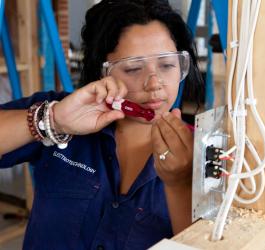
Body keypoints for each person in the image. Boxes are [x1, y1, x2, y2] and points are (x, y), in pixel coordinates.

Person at [0, 0, 204, 249]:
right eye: (133, 68)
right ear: (102, 72)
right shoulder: (60, 111)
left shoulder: (202, 150)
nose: (154, 84)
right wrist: (53, 120)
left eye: (167, 65)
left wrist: (181, 185)